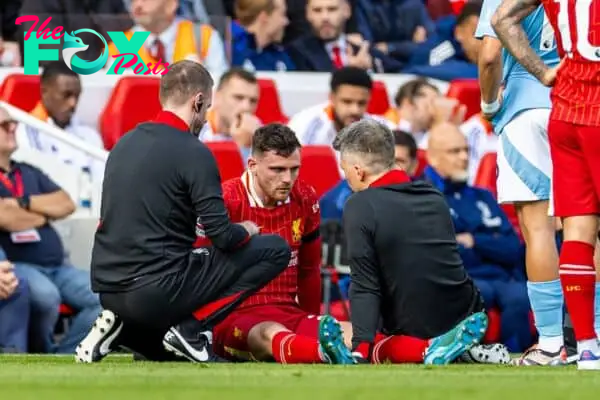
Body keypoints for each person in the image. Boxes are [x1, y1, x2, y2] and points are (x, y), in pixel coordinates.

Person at [76, 60, 291, 363]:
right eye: (206, 110)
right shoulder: (193, 151)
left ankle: (125, 330)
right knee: (274, 249)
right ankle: (190, 331)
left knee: (166, 356)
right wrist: (247, 228)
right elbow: (223, 237)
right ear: (198, 101)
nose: (205, 119)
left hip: (109, 291)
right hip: (155, 291)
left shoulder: (124, 144)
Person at [492, 0, 600, 369]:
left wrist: (543, 73)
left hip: (566, 110)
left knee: (576, 228)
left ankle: (583, 346)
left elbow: (501, 20)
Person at [333, 119, 488, 364]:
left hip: (411, 326)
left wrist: (361, 348)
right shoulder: (434, 196)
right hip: (464, 312)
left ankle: (426, 349)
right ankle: (459, 349)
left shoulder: (359, 204)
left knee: (342, 331)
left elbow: (364, 283)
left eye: (345, 170)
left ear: (358, 171)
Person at [196, 124, 354, 364]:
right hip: (234, 317)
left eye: (294, 169)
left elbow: (309, 269)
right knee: (267, 333)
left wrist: (312, 320)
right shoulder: (225, 201)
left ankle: (426, 350)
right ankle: (323, 354)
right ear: (252, 166)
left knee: (353, 332)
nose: (287, 179)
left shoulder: (305, 197)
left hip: (288, 312)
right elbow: (196, 270)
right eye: (277, 169)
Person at [475, 0, 564, 366]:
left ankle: (551, 343)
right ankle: (593, 340)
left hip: (527, 110)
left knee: (539, 229)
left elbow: (490, 56)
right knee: (587, 227)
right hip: (581, 108)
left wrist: (489, 103)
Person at [0, 106, 101, 355]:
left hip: (59, 266)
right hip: (19, 265)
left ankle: (64, 356)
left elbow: (66, 203)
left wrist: (24, 204)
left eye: (13, 122)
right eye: (4, 125)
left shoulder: (27, 171)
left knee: (107, 298)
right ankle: (42, 352)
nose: (13, 128)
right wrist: (46, 214)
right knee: (47, 296)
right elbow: (5, 218)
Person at [425, 123, 531, 352]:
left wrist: (474, 241)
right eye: (454, 151)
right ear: (432, 157)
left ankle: (517, 357)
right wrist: (488, 242)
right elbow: (444, 252)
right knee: (474, 296)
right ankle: (465, 355)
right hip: (463, 279)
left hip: (503, 278)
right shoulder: (425, 197)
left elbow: (512, 248)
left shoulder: (482, 196)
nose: (463, 157)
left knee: (521, 297)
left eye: (465, 150)